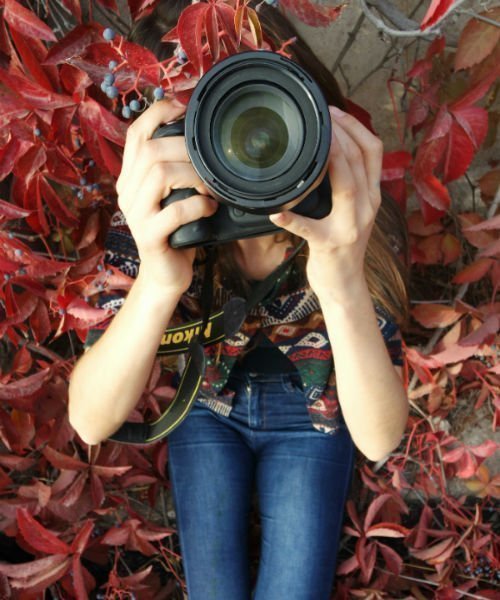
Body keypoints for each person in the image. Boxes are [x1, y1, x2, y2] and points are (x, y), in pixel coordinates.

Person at [68, 1, 410, 598]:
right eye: (207, 113)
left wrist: (340, 276)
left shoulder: (343, 202)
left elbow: (380, 438)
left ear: (304, 96)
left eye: (254, 101)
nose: (240, 142)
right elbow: (91, 420)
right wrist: (159, 279)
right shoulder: (166, 208)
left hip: (315, 414)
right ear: (167, 130)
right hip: (205, 402)